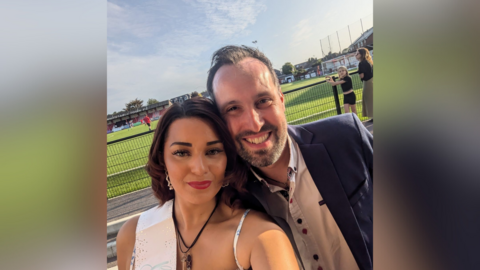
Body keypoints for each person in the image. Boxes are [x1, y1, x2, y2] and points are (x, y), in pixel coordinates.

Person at [207, 45, 373, 270]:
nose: (254, 123)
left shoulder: (347, 136)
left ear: (281, 100)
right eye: (233, 108)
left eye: (263, 101)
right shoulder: (231, 197)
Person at [116, 98, 299, 270]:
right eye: (181, 153)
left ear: (228, 159)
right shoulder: (132, 235)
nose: (199, 168)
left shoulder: (260, 238)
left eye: (213, 151)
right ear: (162, 159)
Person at [356, 48, 373, 119]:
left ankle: (372, 115)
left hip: (367, 82)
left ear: (362, 54)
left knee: (368, 99)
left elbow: (362, 75)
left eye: (357, 54)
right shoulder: (368, 61)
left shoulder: (361, 63)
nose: (356, 55)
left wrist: (361, 77)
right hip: (372, 80)